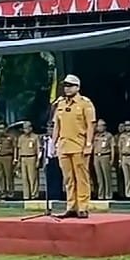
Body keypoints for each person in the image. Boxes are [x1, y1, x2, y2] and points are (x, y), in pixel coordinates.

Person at [52, 74, 96, 218]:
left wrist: (88, 144)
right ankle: (71, 206)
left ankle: (82, 207)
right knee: (68, 179)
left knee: (81, 177)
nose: (67, 88)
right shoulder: (61, 104)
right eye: (65, 86)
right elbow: (56, 126)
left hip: (79, 145)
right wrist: (53, 144)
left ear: (77, 87)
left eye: (70, 86)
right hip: (64, 146)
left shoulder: (85, 103)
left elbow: (90, 125)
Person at [16, 121, 40, 200]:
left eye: (27, 128)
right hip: (23, 158)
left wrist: (38, 160)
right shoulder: (21, 138)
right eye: (24, 128)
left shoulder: (35, 137)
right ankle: (26, 195)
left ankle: (34, 194)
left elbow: (38, 150)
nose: (25, 130)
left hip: (32, 157)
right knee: (24, 178)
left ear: (31, 128)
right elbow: (19, 149)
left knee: (32, 177)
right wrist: (18, 161)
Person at [92, 119, 115, 200]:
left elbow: (112, 148)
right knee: (99, 177)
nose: (99, 127)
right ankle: (101, 194)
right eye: (98, 126)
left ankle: (108, 194)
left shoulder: (109, 136)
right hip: (97, 156)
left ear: (104, 127)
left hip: (105, 156)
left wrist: (112, 159)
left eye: (101, 126)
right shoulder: (95, 136)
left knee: (106, 176)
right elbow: (93, 147)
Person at [0, 123, 16, 199]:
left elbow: (15, 148)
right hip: (0, 157)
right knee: (1, 176)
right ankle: (3, 192)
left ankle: (11, 192)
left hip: (8, 157)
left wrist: (15, 158)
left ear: (6, 128)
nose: (1, 130)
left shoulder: (11, 137)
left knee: (9, 175)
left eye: (2, 128)